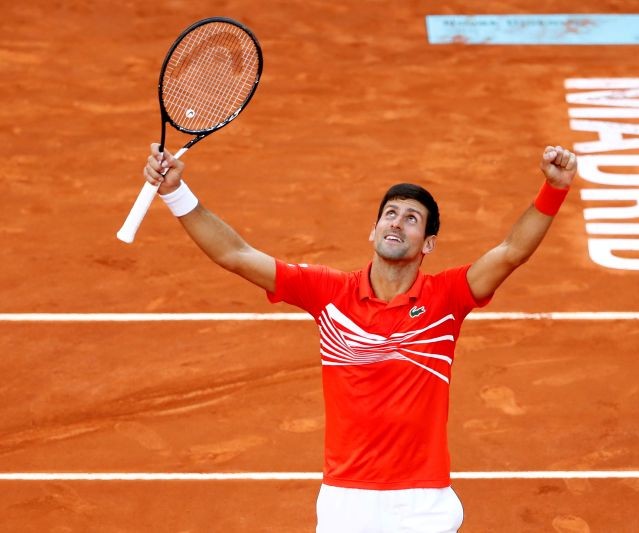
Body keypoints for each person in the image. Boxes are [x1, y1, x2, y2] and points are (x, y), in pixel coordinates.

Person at [142, 143, 577, 532]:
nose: (397, 223)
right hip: (346, 499)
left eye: (412, 219)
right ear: (373, 231)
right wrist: (176, 192)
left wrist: (553, 189)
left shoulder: (446, 298)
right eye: (390, 214)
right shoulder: (328, 292)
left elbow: (511, 252)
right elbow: (235, 255)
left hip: (423, 501)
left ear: (427, 244)